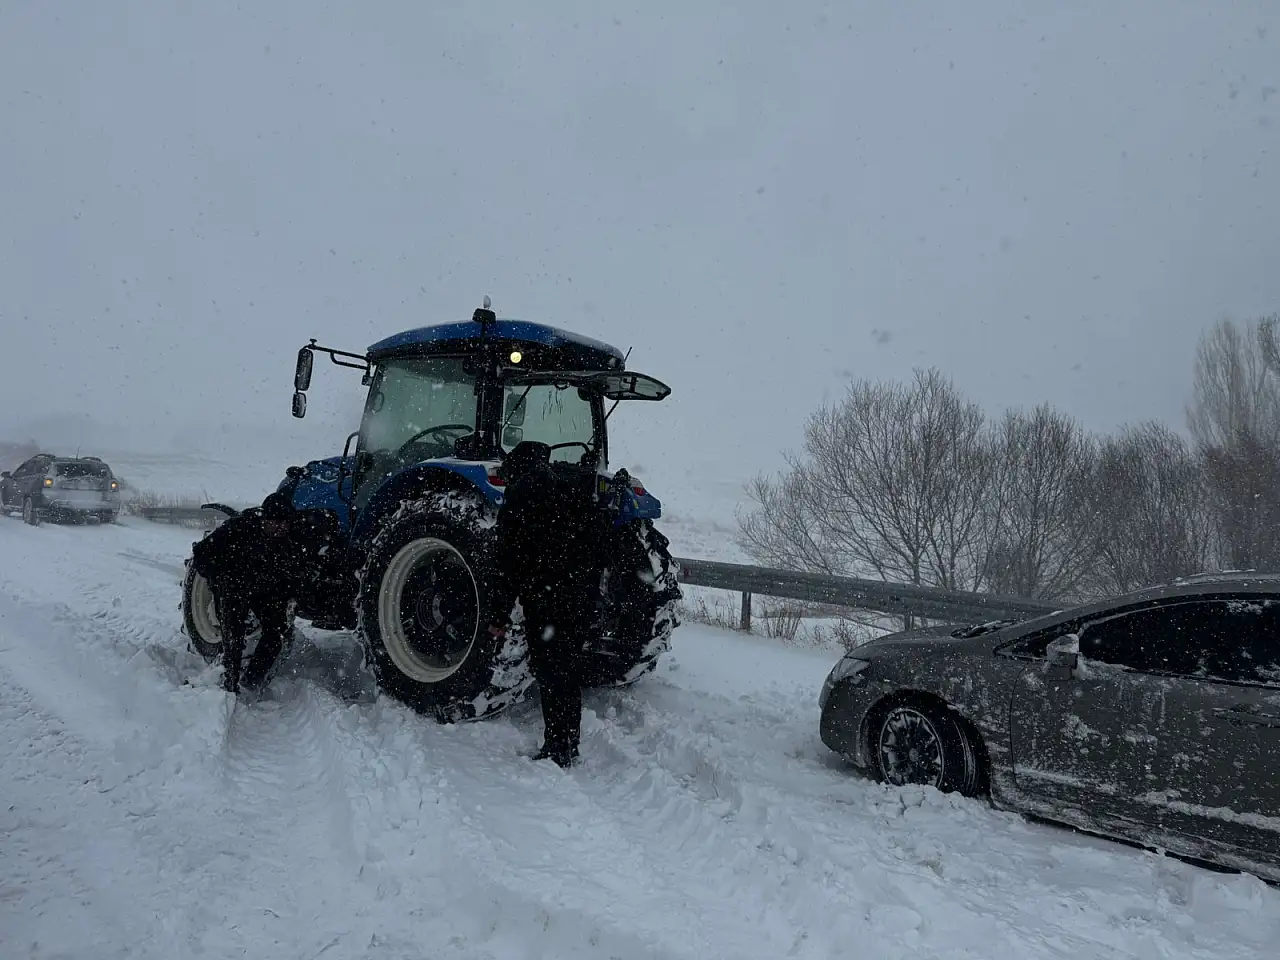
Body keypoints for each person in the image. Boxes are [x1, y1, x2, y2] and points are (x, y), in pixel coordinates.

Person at [488, 441, 606, 768]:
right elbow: (595, 545)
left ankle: (556, 748)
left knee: (549, 672)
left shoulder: (519, 499)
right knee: (567, 672)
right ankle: (569, 743)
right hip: (576, 597)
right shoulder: (573, 490)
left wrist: (499, 615)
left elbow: (508, 563)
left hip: (544, 600)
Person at [190, 490, 305, 695]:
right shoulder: (239, 528)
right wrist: (218, 579)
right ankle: (229, 687)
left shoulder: (289, 539)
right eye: (275, 523)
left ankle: (251, 682)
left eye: (285, 524)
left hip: (265, 591)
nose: (280, 528)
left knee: (277, 632)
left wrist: (290, 592)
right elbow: (201, 554)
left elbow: (294, 571)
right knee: (233, 638)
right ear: (264, 519)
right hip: (235, 587)